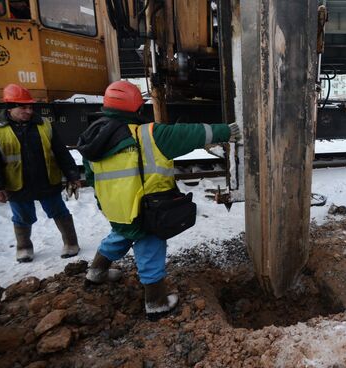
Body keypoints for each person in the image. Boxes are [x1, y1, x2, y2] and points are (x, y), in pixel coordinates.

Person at [77, 80, 240, 320]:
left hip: (116, 209)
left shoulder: (92, 139)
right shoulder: (150, 135)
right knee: (150, 248)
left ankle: (96, 272)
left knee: (120, 235)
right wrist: (225, 131)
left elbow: (92, 179)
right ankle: (156, 302)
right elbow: (192, 134)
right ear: (137, 109)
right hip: (146, 209)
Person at [0, 84, 81, 262]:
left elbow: (61, 152)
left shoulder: (44, 125)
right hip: (17, 184)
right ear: (10, 107)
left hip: (46, 180)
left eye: (30, 106)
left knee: (59, 211)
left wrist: (73, 175)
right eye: (23, 107)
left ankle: (71, 243)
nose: (29, 111)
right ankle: (24, 247)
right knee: (22, 217)